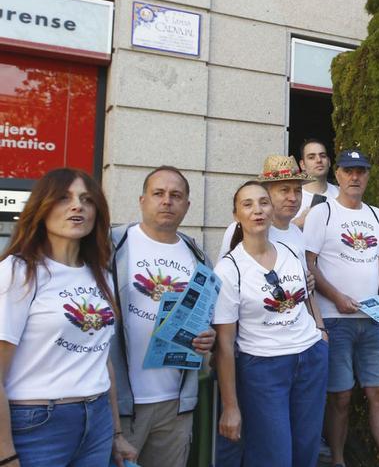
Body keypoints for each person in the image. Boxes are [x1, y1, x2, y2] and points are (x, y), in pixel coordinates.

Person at [0, 168, 137, 466]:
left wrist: (115, 433)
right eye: (64, 198)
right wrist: (5, 453)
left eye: (87, 199)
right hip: (37, 423)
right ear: (42, 207)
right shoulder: (18, 271)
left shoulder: (100, 274)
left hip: (97, 418)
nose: (78, 206)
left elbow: (101, 359)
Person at [213, 181, 328, 466]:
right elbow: (225, 344)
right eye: (248, 204)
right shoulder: (229, 269)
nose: (257, 211)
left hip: (310, 357)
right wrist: (230, 406)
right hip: (263, 368)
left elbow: (304, 294)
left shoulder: (289, 250)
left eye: (263, 202)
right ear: (236, 214)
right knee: (273, 455)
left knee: (306, 449)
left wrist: (320, 332)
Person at [109, 166, 216, 467]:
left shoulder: (198, 256)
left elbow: (203, 318)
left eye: (176, 195)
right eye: (158, 193)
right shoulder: (112, 245)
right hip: (121, 406)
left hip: (174, 404)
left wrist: (208, 336)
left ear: (187, 206)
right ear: (142, 200)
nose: (167, 201)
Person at [303, 150, 379, 467]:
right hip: (334, 320)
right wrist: (336, 297)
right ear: (339, 175)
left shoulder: (376, 215)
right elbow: (309, 265)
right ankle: (339, 460)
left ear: (368, 176)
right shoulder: (323, 213)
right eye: (349, 171)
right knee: (340, 397)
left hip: (372, 319)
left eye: (361, 171)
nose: (355, 177)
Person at [219, 155, 315, 266]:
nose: (293, 198)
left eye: (298, 191)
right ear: (266, 193)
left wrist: (306, 279)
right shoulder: (244, 229)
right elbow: (222, 277)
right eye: (284, 190)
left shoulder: (297, 233)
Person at [293, 139, 339, 229]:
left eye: (323, 156)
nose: (319, 160)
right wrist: (298, 222)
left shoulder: (341, 193)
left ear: (329, 161)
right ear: (302, 165)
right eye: (311, 157)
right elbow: (275, 232)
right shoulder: (293, 196)